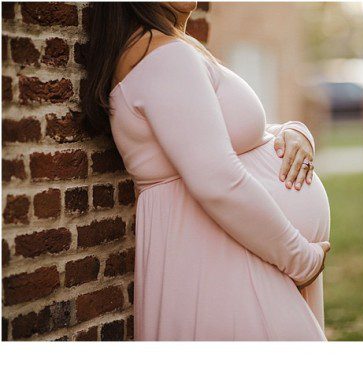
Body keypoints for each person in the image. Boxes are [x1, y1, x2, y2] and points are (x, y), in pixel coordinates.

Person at [82, 2, 332, 340]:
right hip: (222, 258)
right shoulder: (163, 58)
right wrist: (301, 260)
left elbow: (218, 136)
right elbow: (218, 180)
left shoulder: (166, 50)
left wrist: (294, 131)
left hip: (235, 251)